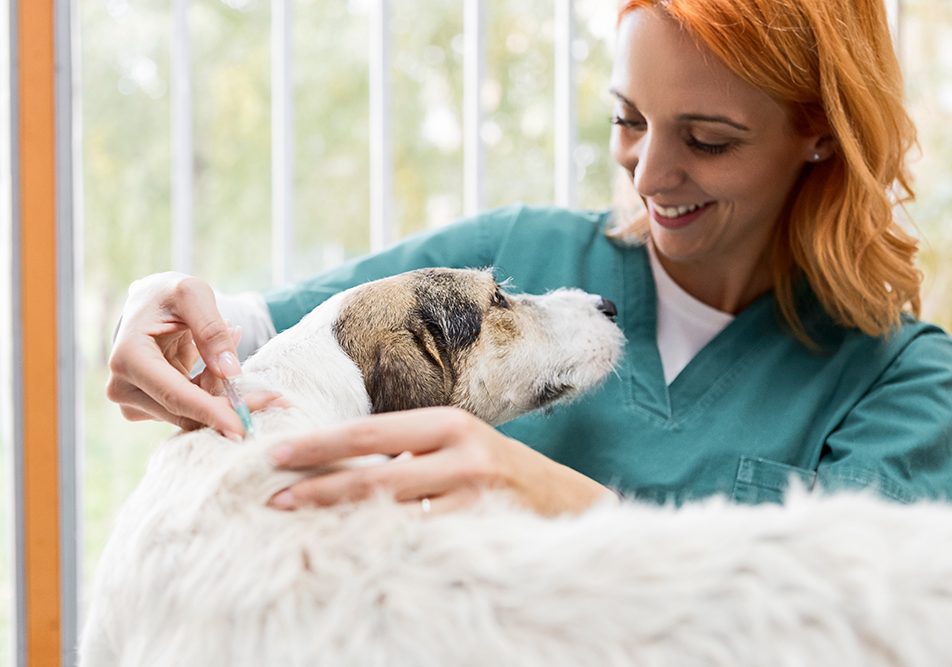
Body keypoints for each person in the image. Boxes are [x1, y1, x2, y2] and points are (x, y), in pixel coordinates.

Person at [107, 0, 952, 515]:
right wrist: (166, 309)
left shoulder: (903, 384)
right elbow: (254, 339)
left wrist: (561, 501)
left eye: (707, 139)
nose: (649, 176)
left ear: (818, 134)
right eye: (629, 119)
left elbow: (850, 621)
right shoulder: (503, 261)